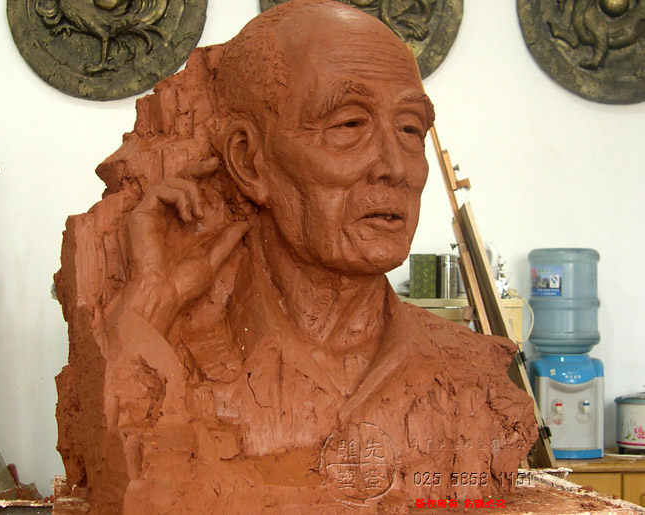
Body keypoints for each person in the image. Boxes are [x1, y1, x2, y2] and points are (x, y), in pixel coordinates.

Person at [54, 1, 537, 513]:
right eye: (349, 125)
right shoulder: (173, 354)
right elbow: (135, 486)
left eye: (410, 129)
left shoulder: (473, 377)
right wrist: (147, 305)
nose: (395, 168)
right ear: (249, 161)